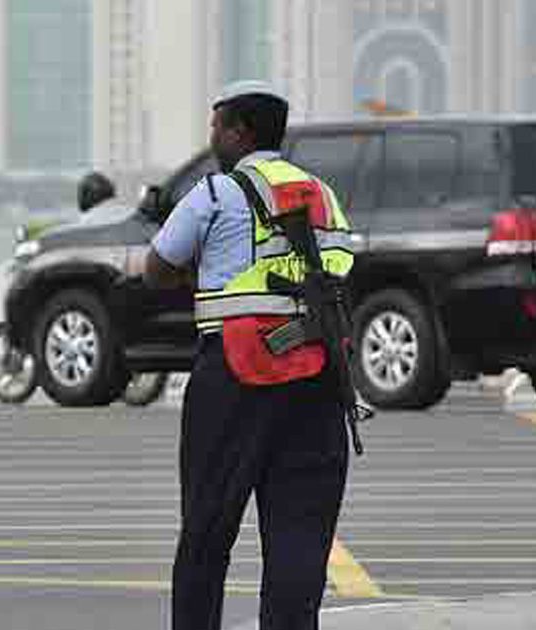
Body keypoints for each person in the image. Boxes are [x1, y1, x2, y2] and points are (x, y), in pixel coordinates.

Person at [143, 80, 357, 630]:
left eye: (216, 125)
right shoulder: (323, 195)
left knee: (206, 532)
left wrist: (202, 270)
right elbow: (344, 269)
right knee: (298, 538)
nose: (212, 135)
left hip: (233, 378)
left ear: (240, 131)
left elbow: (157, 267)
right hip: (317, 379)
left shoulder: (216, 192)